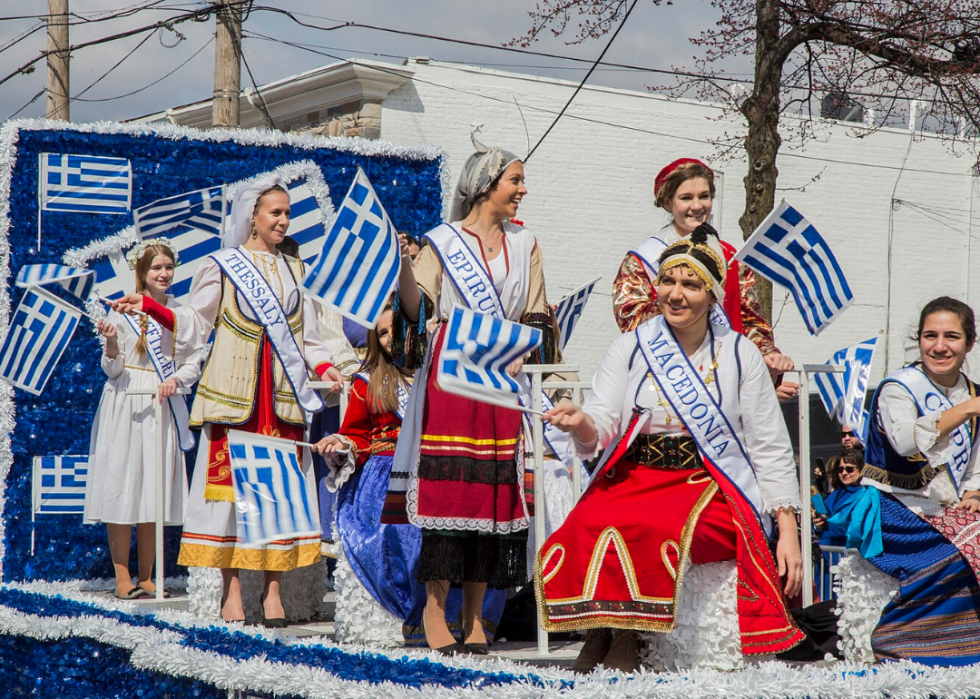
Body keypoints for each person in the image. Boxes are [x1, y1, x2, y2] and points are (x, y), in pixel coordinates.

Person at [539, 224, 805, 673]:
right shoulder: (630, 347)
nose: (675, 294)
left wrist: (789, 527)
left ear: (713, 295)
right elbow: (600, 428)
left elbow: (769, 445)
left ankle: (629, 636)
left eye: (690, 284)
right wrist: (581, 422)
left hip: (709, 480)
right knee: (584, 522)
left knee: (652, 525)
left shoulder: (740, 354)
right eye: (667, 281)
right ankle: (603, 628)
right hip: (635, 472)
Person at [111, 175, 344, 626]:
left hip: (281, 397)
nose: (283, 220)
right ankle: (232, 591)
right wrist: (150, 305)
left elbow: (307, 337)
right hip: (235, 394)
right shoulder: (223, 264)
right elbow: (195, 322)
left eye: (287, 213)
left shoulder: (296, 270)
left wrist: (324, 368)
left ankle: (272, 594)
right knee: (232, 495)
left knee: (278, 494)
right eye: (275, 212)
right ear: (252, 217)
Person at [388, 137, 560, 654]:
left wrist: (537, 373)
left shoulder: (526, 245)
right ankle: (435, 611)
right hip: (451, 383)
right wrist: (404, 267)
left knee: (492, 501)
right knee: (451, 496)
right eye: (515, 180)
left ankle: (477, 618)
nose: (522, 190)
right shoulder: (441, 242)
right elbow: (418, 312)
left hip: (500, 381)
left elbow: (535, 314)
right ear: (485, 186)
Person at [854, 296, 980, 664]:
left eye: (951, 337)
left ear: (969, 343)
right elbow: (906, 440)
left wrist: (974, 491)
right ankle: (902, 644)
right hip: (891, 508)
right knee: (960, 550)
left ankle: (963, 647)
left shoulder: (972, 393)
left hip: (944, 509)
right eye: (930, 336)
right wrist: (966, 410)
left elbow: (975, 460)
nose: (939, 346)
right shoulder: (898, 387)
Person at [612, 158, 799, 401]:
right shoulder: (641, 259)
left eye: (705, 196)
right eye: (686, 198)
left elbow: (750, 321)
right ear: (668, 202)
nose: (697, 206)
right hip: (666, 379)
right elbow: (631, 320)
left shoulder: (731, 258)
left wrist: (766, 354)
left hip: (725, 380)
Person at [85, 240, 201, 600]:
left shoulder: (183, 313)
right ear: (142, 273)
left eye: (168, 267)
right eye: (156, 268)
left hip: (162, 399)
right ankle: (123, 576)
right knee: (122, 483)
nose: (164, 273)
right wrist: (111, 347)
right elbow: (112, 369)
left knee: (154, 488)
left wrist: (176, 380)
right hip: (125, 399)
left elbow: (194, 360)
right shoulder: (123, 313)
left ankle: (149, 575)